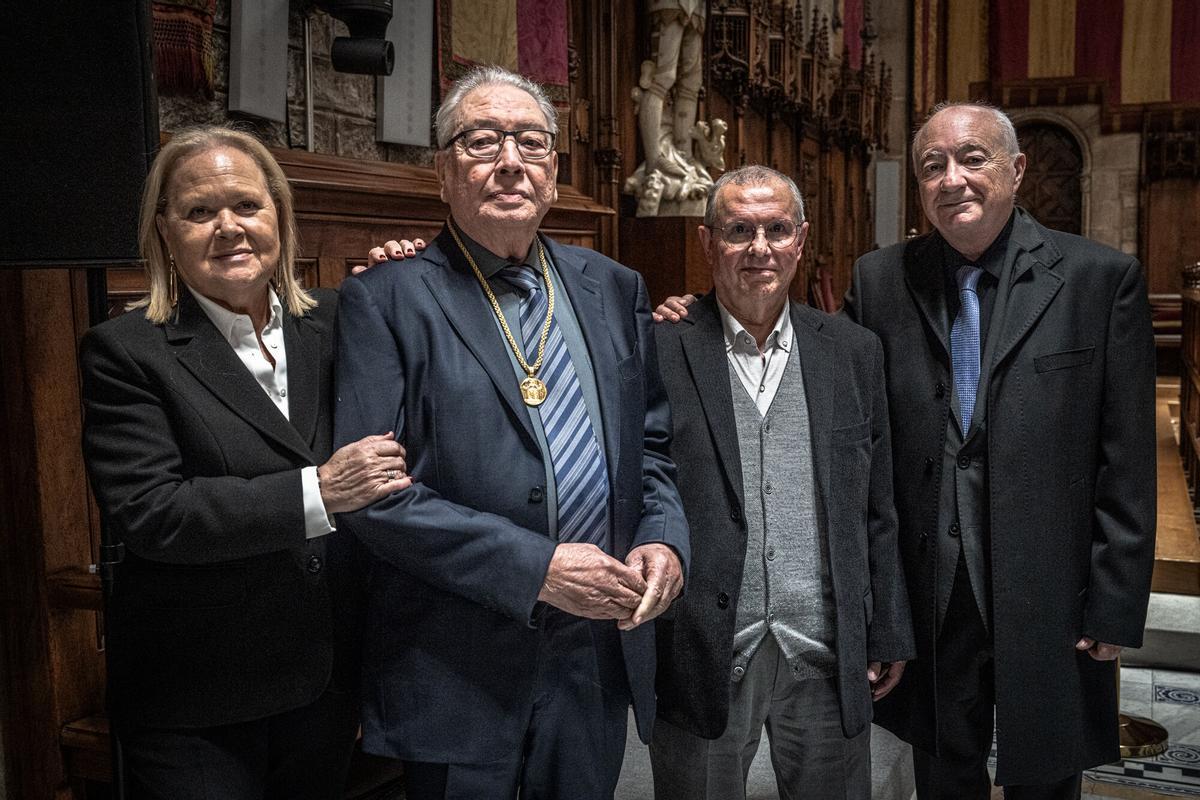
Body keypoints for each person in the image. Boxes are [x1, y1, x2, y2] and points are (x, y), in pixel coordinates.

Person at [656, 102, 1157, 799]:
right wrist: (698, 316)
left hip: (1048, 586)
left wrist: (1115, 602)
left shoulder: (1099, 280)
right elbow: (815, 368)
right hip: (932, 587)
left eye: (972, 159)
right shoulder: (883, 279)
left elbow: (1126, 457)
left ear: (1015, 170)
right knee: (940, 766)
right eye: (933, 166)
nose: (953, 179)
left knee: (1047, 769)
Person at [334, 65, 690, 800]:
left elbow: (651, 450)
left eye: (531, 141)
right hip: (458, 662)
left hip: (593, 656)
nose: (510, 160)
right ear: (442, 171)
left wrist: (663, 536)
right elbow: (374, 499)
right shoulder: (385, 300)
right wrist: (538, 569)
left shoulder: (612, 287)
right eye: (482, 139)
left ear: (554, 172)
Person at [79, 125, 410, 799]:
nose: (228, 227)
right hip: (198, 698)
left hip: (323, 681)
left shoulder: (343, 319)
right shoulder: (126, 351)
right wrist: (318, 491)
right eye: (200, 212)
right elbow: (153, 513)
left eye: (246, 206)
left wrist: (404, 278)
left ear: (280, 220)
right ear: (165, 233)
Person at [649, 165, 913, 800]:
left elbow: (878, 506)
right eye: (739, 230)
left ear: (801, 240)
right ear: (709, 242)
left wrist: (888, 628)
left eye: (776, 229)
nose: (759, 248)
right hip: (704, 647)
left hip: (824, 645)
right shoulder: (659, 347)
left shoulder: (853, 351)